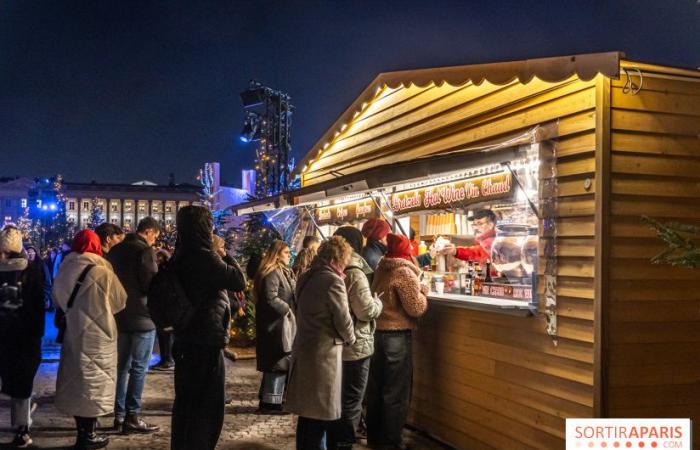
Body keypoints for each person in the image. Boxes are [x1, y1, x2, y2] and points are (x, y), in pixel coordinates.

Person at [170, 206, 246, 450]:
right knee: (207, 405)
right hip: (206, 338)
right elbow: (238, 280)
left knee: (186, 402)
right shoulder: (205, 256)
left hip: (184, 336)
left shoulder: (180, 254)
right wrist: (222, 252)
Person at [52, 229, 127, 450]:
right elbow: (120, 301)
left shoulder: (65, 268)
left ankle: (82, 433)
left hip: (74, 331)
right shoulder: (103, 270)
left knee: (77, 382)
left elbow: (56, 300)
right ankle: (89, 435)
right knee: (95, 382)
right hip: (100, 334)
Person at [285, 236, 356, 450]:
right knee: (319, 416)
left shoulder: (306, 276)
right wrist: (351, 339)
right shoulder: (333, 281)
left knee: (307, 416)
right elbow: (343, 320)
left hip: (305, 349)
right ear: (338, 258)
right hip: (324, 355)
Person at [367, 233, 428, 450]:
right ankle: (391, 442)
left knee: (376, 389)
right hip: (397, 337)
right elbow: (416, 307)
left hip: (377, 335)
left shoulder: (381, 268)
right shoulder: (403, 272)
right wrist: (424, 290)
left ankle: (374, 437)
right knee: (395, 392)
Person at [106, 217, 161, 434]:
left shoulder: (116, 251)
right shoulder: (144, 252)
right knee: (139, 367)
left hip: (120, 314)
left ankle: (118, 416)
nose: (154, 241)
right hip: (142, 317)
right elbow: (150, 284)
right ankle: (132, 415)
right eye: (154, 236)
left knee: (122, 367)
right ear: (148, 231)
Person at [332, 227, 383, 450]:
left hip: (337, 343)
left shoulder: (334, 267)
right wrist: (377, 302)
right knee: (352, 397)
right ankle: (344, 442)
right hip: (356, 344)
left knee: (340, 395)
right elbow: (365, 311)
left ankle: (337, 438)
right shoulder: (355, 271)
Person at [0, 227, 46, 448]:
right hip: (25, 337)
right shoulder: (31, 271)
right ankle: (21, 429)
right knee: (23, 385)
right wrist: (36, 335)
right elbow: (37, 308)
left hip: (3, 335)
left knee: (10, 381)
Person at [254, 239, 296, 413]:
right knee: (277, 363)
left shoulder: (284, 271)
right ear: (277, 254)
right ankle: (271, 402)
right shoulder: (272, 272)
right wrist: (286, 309)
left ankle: (270, 399)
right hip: (274, 325)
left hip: (280, 324)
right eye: (286, 253)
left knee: (279, 362)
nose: (289, 256)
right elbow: (270, 298)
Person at [150, 248, 175, 371]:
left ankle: (167, 360)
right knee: (164, 335)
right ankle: (166, 359)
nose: (157, 260)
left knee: (166, 335)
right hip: (164, 308)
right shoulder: (165, 271)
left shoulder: (164, 272)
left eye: (159, 258)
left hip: (165, 309)